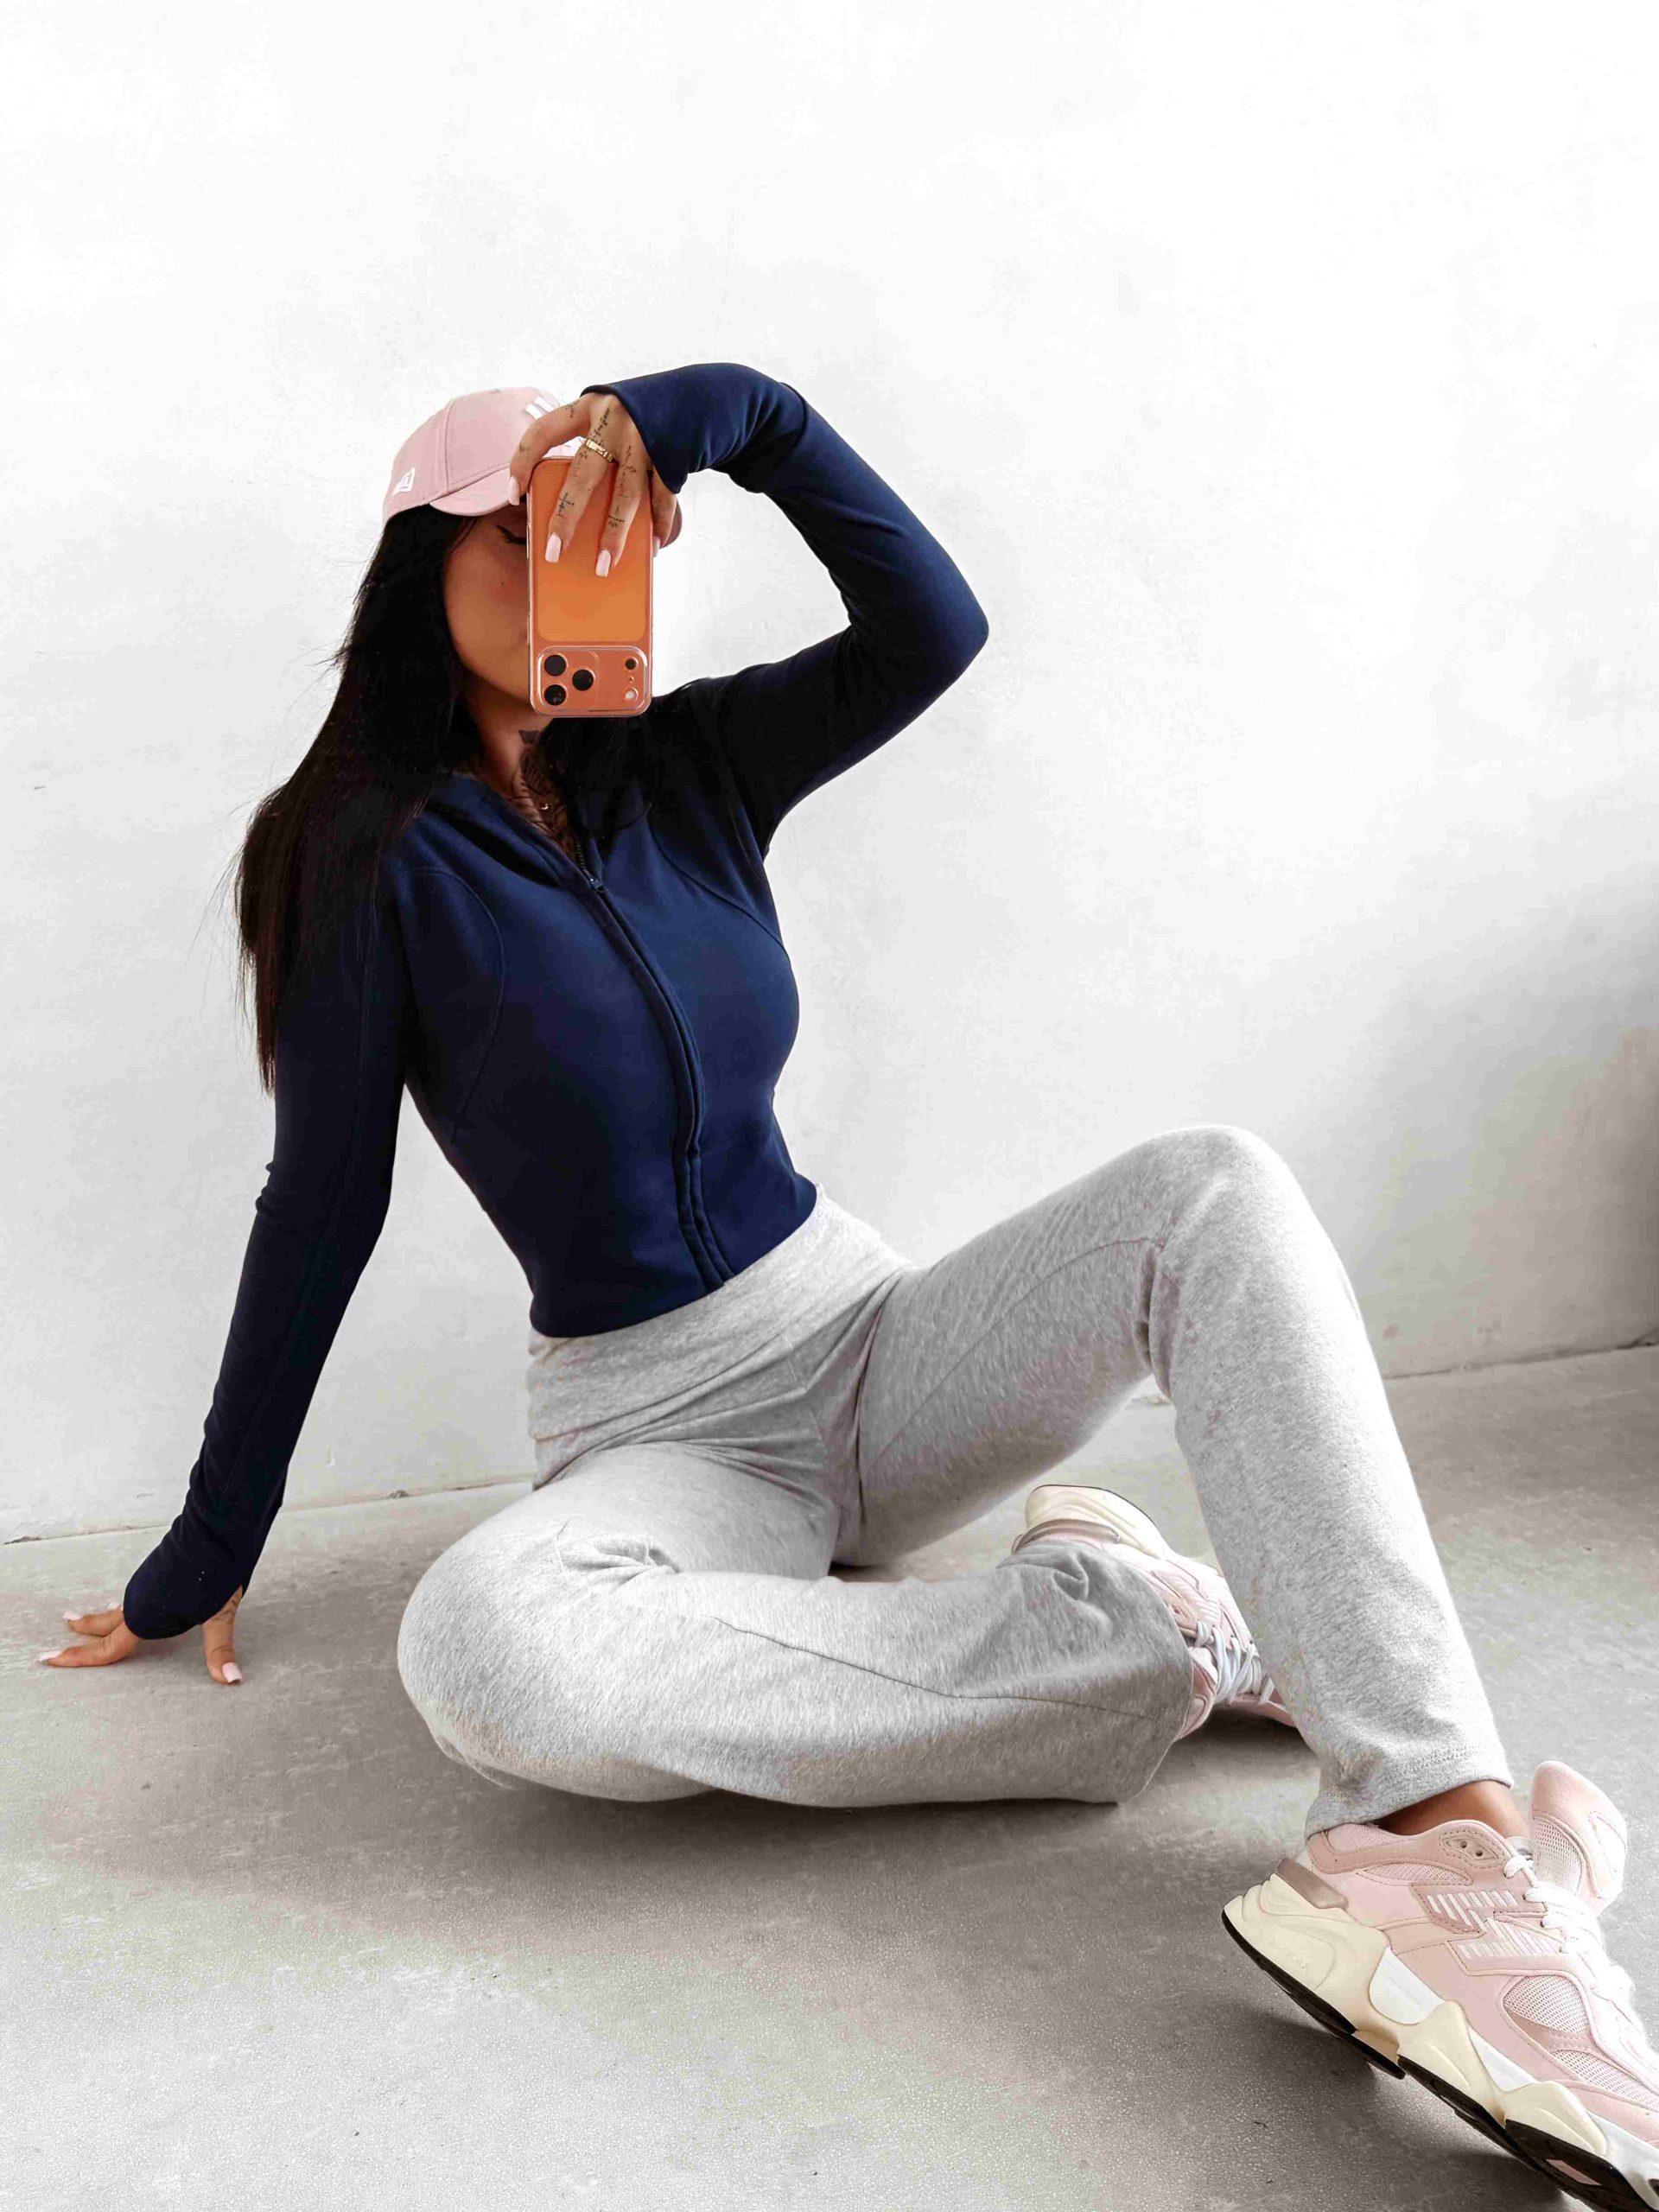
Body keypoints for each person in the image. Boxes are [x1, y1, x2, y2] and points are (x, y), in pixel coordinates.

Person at [41, 361, 1658, 2209]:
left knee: (1211, 1188)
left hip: (872, 1346)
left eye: (603, 540)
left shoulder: (691, 767)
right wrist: (209, 1541)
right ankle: (1137, 1629)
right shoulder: (358, 852)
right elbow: (321, 1201)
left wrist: (737, 417)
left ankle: (1437, 1838)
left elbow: (931, 627)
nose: (577, 574)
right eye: (525, 535)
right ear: (425, 563)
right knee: (485, 1646)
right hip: (663, 1431)